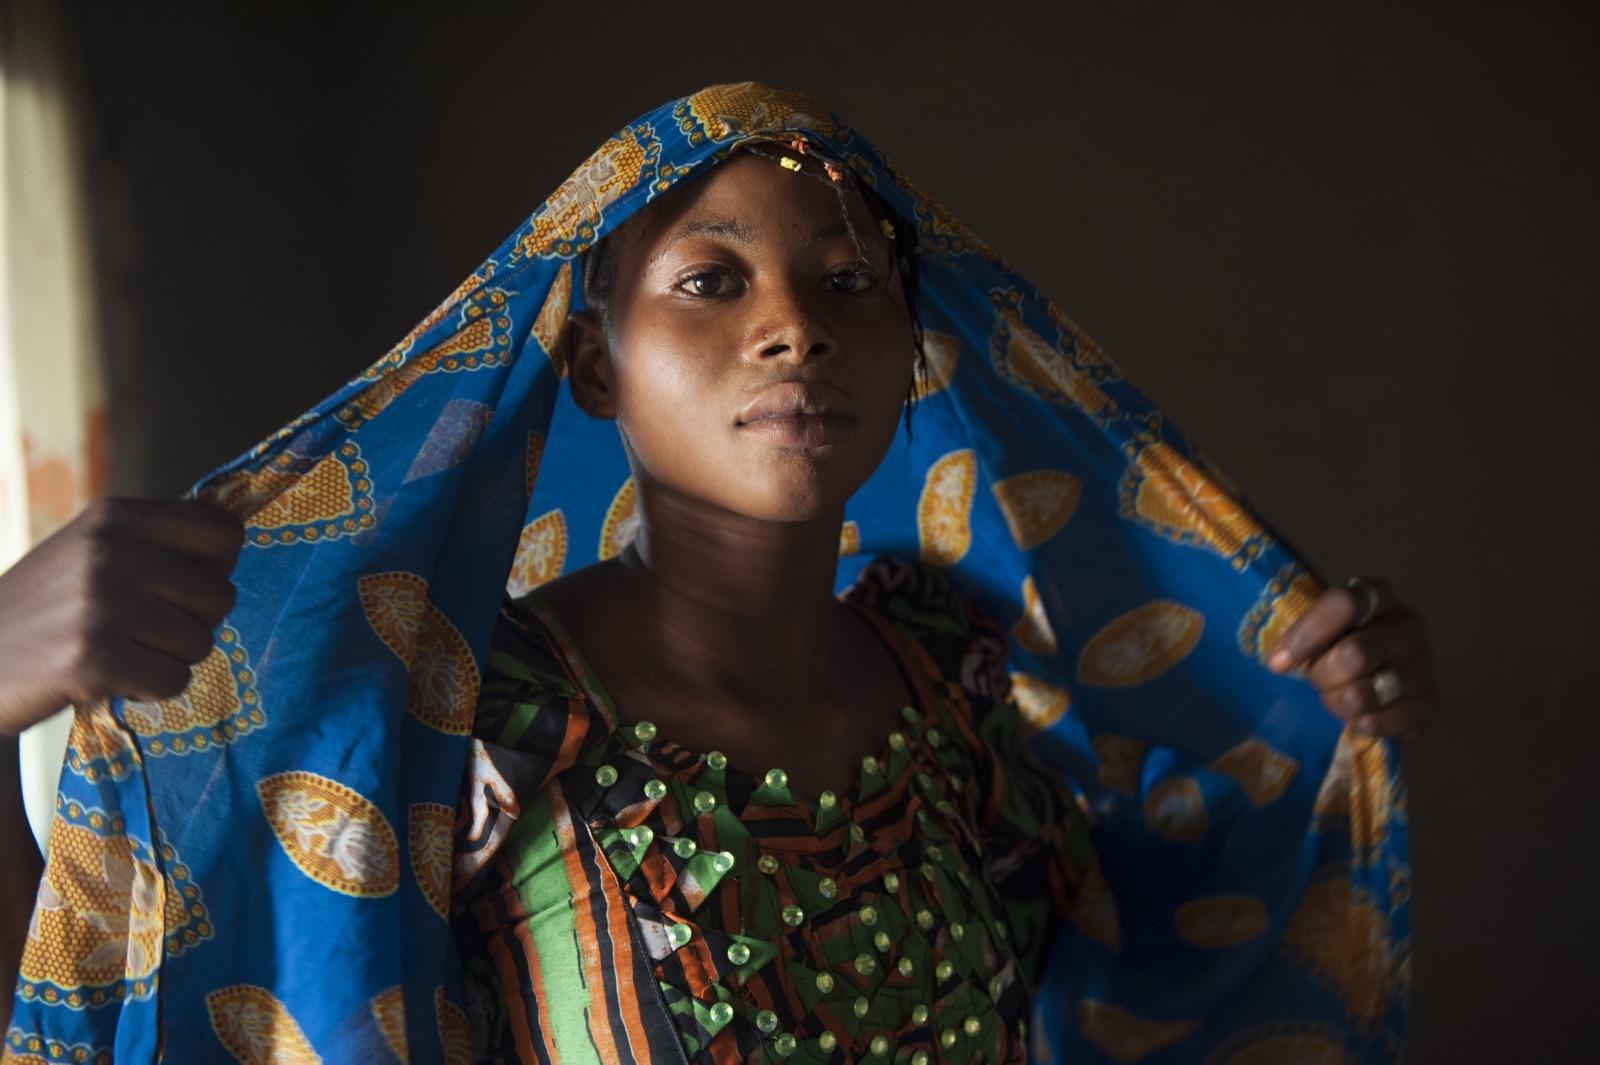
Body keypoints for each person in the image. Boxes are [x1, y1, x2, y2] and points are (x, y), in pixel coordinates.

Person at [0, 82, 1434, 1063]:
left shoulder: (960, 670)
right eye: (713, 278)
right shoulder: (470, 709)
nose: (795, 328)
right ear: (589, 361)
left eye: (850, 279)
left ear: (913, 347)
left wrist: (1309, 717)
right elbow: (146, 1001)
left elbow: (1158, 940)